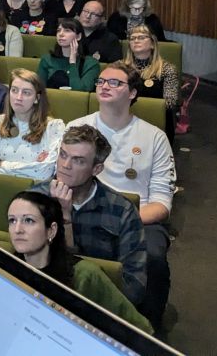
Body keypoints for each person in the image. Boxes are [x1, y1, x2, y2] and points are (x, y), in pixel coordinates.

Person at [68, 62, 175, 334]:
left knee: (153, 257)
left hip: (140, 218)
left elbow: (162, 203)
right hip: (83, 209)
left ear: (132, 94)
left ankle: (146, 332)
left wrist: (125, 219)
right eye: (101, 81)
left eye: (115, 82)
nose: (105, 85)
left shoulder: (154, 137)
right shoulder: (77, 127)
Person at [6, 192, 153, 334]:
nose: (17, 229)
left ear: (51, 231)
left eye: (28, 220)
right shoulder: (5, 266)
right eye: (12, 220)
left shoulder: (84, 275)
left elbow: (139, 328)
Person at [46, 125, 149, 308]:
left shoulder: (122, 211)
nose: (65, 165)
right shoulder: (36, 199)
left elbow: (134, 288)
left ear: (97, 168)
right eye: (63, 155)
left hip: (99, 307)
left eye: (78, 161)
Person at [0, 69, 64, 180]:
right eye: (14, 90)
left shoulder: (53, 127)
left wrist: (2, 165)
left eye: (26, 93)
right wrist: (33, 165)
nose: (18, 97)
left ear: (37, 98)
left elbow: (44, 173)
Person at [123, 25, 180, 141]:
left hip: (156, 122)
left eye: (141, 37)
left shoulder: (167, 69)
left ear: (153, 43)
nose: (136, 41)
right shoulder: (120, 68)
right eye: (133, 38)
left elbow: (170, 102)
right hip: (124, 120)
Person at [37, 18, 100, 92]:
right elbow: (39, 90)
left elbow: (81, 92)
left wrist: (72, 63)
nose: (61, 34)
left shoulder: (91, 63)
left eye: (67, 30)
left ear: (78, 36)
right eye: (59, 30)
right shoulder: (46, 59)